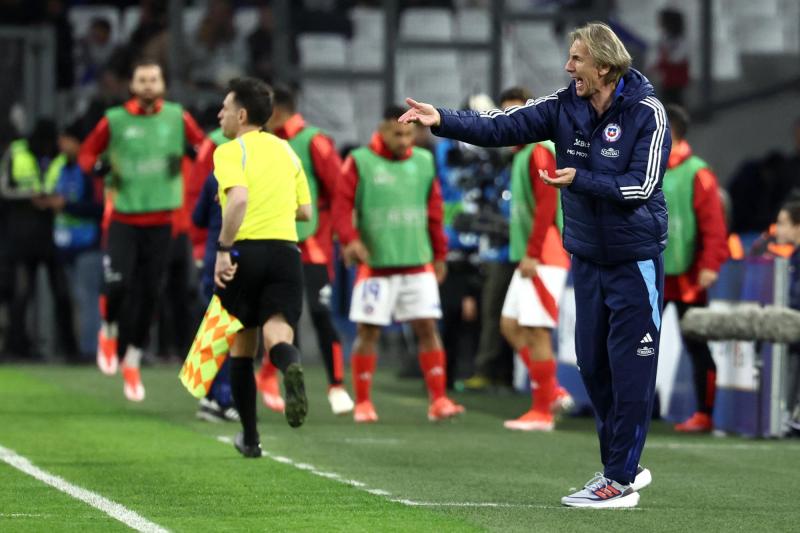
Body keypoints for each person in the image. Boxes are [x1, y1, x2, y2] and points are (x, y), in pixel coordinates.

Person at [400, 22, 668, 508]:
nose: (568, 68)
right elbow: (500, 127)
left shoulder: (647, 112)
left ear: (604, 66)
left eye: (577, 60)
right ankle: (620, 468)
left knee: (630, 372)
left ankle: (620, 478)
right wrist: (442, 119)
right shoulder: (564, 105)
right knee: (591, 366)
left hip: (635, 261)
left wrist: (582, 180)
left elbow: (641, 187)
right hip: (587, 257)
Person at [79, 60, 206, 401]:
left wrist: (196, 154)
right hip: (123, 216)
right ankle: (108, 331)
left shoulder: (178, 117)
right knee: (117, 284)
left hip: (162, 220)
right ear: (132, 86)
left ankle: (132, 362)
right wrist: (96, 166)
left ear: (162, 84)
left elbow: (204, 148)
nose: (149, 84)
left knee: (151, 293)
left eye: (154, 79)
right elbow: (87, 152)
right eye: (142, 79)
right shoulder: (115, 120)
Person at [332, 105, 465, 424]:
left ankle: (439, 399)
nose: (405, 140)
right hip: (376, 265)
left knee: (427, 327)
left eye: (409, 134)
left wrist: (439, 254)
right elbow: (341, 205)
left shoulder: (423, 162)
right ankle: (363, 402)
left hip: (417, 262)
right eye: (398, 134)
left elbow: (434, 211)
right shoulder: (360, 161)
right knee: (368, 331)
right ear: (381, 130)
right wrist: (350, 239)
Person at [213, 77, 311, 457]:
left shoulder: (229, 151)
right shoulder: (287, 151)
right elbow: (305, 211)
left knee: (242, 345)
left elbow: (237, 199)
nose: (219, 114)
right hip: (286, 251)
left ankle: (250, 438)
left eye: (224, 107)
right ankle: (290, 367)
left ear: (240, 114)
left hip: (246, 252)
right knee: (278, 335)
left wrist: (224, 249)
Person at [261, 84, 355, 415]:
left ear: (276, 111)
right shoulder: (265, 142)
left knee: (319, 311)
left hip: (312, 243)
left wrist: (343, 236)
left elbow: (340, 190)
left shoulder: (313, 140)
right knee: (285, 315)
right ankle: (289, 385)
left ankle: (337, 386)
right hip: (275, 241)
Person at [493, 86, 573, 432]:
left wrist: (531, 253)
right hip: (535, 254)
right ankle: (551, 391)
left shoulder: (540, 151)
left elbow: (546, 205)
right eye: (505, 114)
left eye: (517, 112)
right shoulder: (524, 152)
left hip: (543, 255)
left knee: (536, 330)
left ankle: (542, 411)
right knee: (510, 325)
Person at [661, 105, 729, 433]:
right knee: (634, 344)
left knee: (697, 345)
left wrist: (710, 264)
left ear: (668, 131)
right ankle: (629, 411)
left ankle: (704, 413)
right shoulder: (645, 166)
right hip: (651, 273)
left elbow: (714, 225)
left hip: (689, 277)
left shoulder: (698, 172)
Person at [0, 119, 78, 360]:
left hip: (49, 234)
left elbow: (72, 185)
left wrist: (56, 200)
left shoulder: (60, 156)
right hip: (21, 235)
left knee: (61, 292)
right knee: (22, 293)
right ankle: (16, 346)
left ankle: (70, 349)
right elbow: (3, 188)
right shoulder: (16, 151)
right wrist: (29, 196)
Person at [52, 124, 105, 363]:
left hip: (89, 245)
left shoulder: (90, 171)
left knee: (88, 298)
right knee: (78, 299)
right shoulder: (62, 167)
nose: (62, 145)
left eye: (66, 140)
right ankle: (82, 348)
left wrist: (66, 206)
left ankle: (90, 350)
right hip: (66, 244)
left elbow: (100, 208)